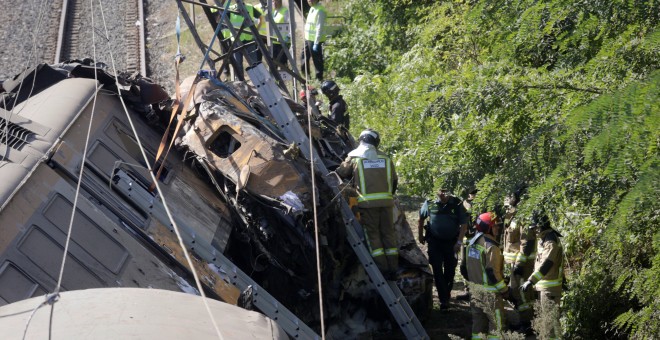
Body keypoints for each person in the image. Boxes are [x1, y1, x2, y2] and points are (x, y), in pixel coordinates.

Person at [336, 129, 399, 279]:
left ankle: (383, 270)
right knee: (388, 234)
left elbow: (341, 173)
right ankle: (393, 268)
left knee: (373, 236)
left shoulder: (355, 157)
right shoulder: (386, 158)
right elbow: (395, 181)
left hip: (367, 204)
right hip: (386, 203)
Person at [418, 186, 468, 310]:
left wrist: (459, 241)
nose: (443, 194)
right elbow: (421, 219)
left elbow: (464, 224)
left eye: (446, 192)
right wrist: (420, 236)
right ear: (436, 191)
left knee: (450, 271)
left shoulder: (457, 203)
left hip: (452, 243)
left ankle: (446, 292)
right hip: (434, 242)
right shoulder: (429, 202)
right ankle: (443, 300)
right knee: (437, 269)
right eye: (441, 191)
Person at [463, 212, 508, 339]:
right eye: (495, 226)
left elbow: (463, 269)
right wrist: (504, 290)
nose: (498, 229)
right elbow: (492, 272)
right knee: (497, 325)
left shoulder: (471, 243)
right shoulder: (491, 247)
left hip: (475, 292)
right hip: (490, 294)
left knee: (478, 325)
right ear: (487, 228)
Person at [522, 211, 564, 340]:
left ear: (541, 226)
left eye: (535, 228)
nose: (534, 231)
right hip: (546, 288)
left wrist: (531, 280)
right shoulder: (545, 238)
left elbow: (546, 265)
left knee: (550, 325)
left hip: (550, 290)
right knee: (549, 324)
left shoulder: (550, 241)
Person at [502, 190, 536, 333]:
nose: (507, 198)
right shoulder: (513, 214)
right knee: (516, 293)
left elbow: (526, 242)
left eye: (509, 196)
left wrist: (520, 264)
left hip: (522, 264)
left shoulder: (524, 215)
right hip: (514, 263)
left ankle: (528, 325)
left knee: (522, 294)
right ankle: (524, 322)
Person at [221, 2, 263, 80]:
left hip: (249, 39)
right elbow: (223, 21)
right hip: (236, 41)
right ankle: (240, 82)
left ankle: (258, 80)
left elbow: (261, 18)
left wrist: (256, 31)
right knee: (238, 64)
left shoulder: (250, 7)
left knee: (254, 62)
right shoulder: (230, 9)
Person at [457, 187, 478, 301]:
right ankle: (468, 291)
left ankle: (475, 293)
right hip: (465, 241)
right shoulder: (464, 203)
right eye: (471, 194)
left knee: (475, 268)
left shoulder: (482, 203)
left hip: (477, 242)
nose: (472, 196)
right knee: (464, 267)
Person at [255, 0, 290, 67]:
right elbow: (267, 19)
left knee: (282, 63)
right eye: (272, 1)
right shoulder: (274, 11)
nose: (273, 3)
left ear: (279, 1)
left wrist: (288, 36)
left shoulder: (285, 11)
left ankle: (284, 76)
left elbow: (292, 25)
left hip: (282, 42)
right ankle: (275, 76)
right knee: (273, 62)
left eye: (274, 1)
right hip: (274, 41)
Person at [301, 0, 327, 81]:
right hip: (308, 38)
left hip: (315, 40)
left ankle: (319, 79)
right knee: (303, 57)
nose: (309, 1)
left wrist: (316, 43)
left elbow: (319, 28)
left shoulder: (320, 10)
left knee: (317, 61)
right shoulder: (312, 8)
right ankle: (307, 76)